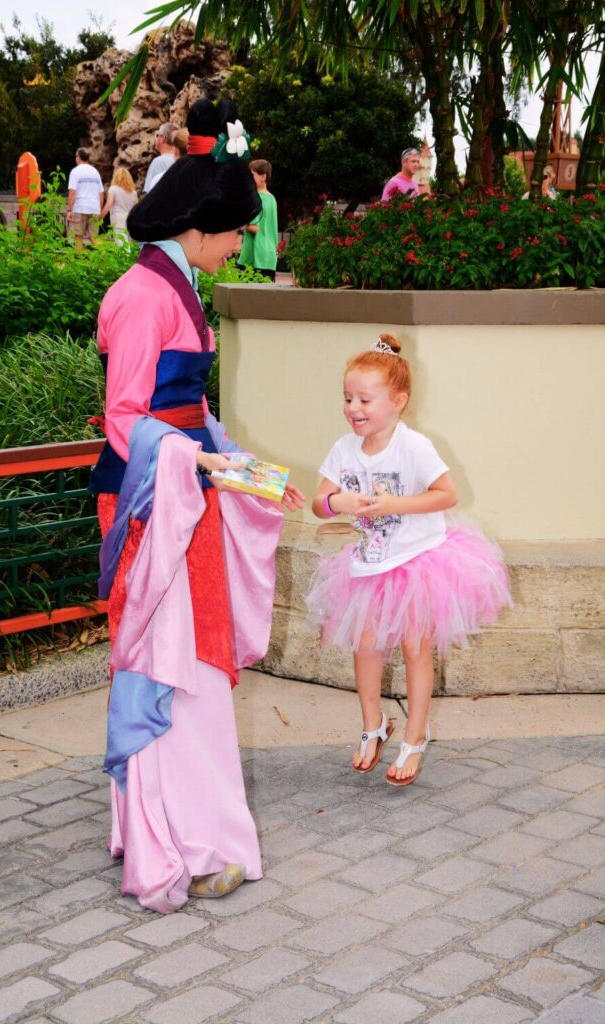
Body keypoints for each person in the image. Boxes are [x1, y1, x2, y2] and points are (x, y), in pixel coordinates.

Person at [89, 98, 304, 913]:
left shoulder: (172, 285)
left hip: (181, 490)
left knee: (194, 666)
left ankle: (192, 827)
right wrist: (204, 462)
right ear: (197, 230)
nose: (241, 246)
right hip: (152, 503)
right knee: (169, 667)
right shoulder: (144, 296)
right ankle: (174, 837)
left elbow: (186, 410)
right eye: (234, 233)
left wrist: (245, 468)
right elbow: (124, 418)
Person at [306, 335, 511, 786]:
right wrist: (339, 501)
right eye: (347, 398)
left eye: (365, 399)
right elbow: (318, 501)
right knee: (366, 646)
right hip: (369, 564)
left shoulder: (414, 446)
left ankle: (415, 735)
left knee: (416, 647)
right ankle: (372, 724)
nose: (353, 408)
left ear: (398, 401)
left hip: (419, 563)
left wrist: (393, 506)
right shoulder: (344, 449)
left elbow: (446, 494)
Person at [237, 159, 279, 282]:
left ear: (263, 177)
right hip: (269, 256)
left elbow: (254, 227)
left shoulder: (255, 198)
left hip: (254, 257)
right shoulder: (271, 198)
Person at [67, 148, 104, 250]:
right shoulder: (95, 172)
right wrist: (99, 209)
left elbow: (73, 192)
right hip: (94, 208)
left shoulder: (75, 171)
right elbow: (101, 192)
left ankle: (80, 261)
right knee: (94, 237)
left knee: (78, 237)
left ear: (78, 158)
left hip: (80, 207)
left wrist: (69, 209)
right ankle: (105, 257)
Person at [100, 167, 138, 244]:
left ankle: (125, 256)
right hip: (130, 219)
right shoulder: (133, 192)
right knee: (129, 243)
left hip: (118, 220)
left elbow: (109, 204)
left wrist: (101, 217)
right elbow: (136, 208)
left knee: (121, 243)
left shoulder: (113, 189)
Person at [142, 122, 178, 193]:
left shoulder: (158, 162)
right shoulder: (182, 160)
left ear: (163, 139)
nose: (156, 138)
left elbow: (150, 194)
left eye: (157, 135)